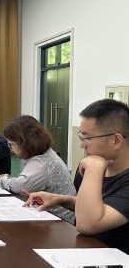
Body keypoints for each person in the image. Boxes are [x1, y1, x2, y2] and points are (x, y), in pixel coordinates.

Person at [25, 99, 129, 253]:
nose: (82, 144)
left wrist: (94, 168)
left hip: (116, 260)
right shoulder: (91, 167)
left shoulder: (93, 167)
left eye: (87, 138)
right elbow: (92, 207)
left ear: (116, 140)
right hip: (84, 249)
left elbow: (87, 224)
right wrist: (60, 199)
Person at [0, 115, 75, 223]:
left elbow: (19, 187)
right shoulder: (44, 153)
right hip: (55, 215)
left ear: (24, 143)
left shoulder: (41, 163)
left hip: (60, 221)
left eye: (11, 144)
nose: (10, 149)